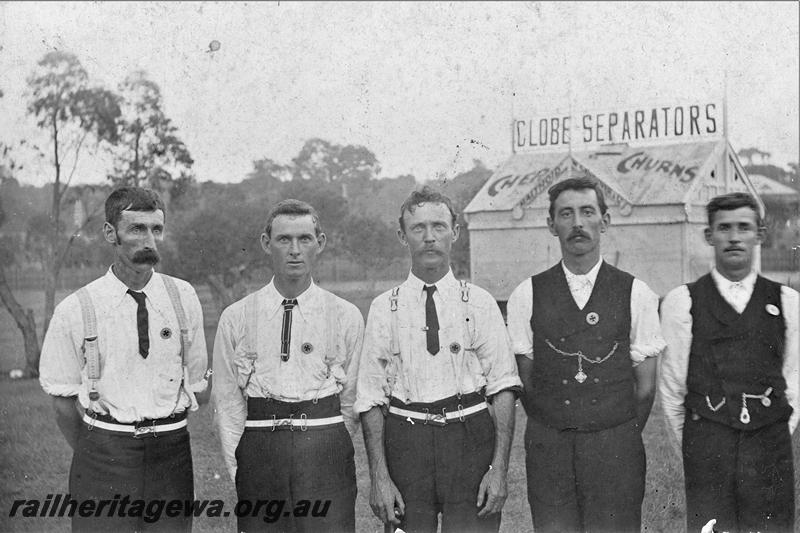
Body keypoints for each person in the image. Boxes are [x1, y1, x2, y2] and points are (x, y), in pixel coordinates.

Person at [39, 187, 209, 532]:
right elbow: (62, 403)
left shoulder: (183, 296)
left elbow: (199, 386)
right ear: (109, 233)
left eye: (156, 229)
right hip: (104, 456)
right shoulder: (77, 308)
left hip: (171, 455)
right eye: (136, 229)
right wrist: (101, 445)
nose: (149, 240)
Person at [354, 186, 522, 533]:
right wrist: (380, 477)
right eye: (418, 228)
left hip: (468, 438)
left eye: (439, 227)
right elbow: (370, 398)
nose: (429, 238)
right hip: (407, 439)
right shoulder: (385, 307)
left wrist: (498, 471)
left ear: (455, 233)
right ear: (403, 235)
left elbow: (504, 387)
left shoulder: (479, 302)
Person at [506, 176, 665, 533]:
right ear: (551, 225)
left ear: (604, 221)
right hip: (550, 452)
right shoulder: (526, 294)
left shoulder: (637, 293)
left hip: (616, 450)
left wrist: (610, 432)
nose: (577, 223)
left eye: (587, 212)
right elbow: (527, 380)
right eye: (566, 214)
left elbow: (645, 389)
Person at [212, 199, 364, 533]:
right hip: (261, 451)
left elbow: (352, 399)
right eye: (284, 239)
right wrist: (243, 467)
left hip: (325, 450)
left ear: (319, 243)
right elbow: (227, 402)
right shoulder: (236, 316)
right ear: (267, 244)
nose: (294, 250)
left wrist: (329, 446)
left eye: (304, 239)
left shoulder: (345, 315)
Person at [659, 192, 798, 533]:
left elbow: (793, 384)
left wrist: (768, 436)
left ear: (760, 235)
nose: (734, 237)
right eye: (724, 228)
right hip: (708, 451)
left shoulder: (787, 301)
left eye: (743, 227)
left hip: (769, 448)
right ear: (709, 236)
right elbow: (673, 391)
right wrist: (698, 447)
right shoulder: (682, 302)